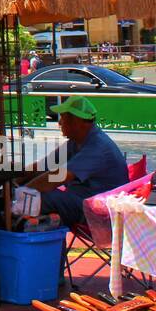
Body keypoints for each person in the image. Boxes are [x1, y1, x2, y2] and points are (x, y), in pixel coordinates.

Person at [20, 96, 127, 227]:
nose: (59, 123)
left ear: (76, 122)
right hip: (82, 201)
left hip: (100, 212)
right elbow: (43, 166)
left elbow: (56, 177)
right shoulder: (76, 142)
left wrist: (22, 191)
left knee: (40, 198)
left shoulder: (98, 146)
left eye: (63, 117)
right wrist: (14, 179)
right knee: (30, 192)